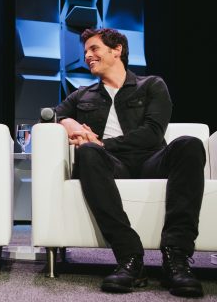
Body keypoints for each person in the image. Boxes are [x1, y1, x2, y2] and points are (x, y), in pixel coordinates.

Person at [54, 28, 205, 297]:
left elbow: (152, 134)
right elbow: (49, 117)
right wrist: (68, 121)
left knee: (189, 144)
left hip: (151, 159)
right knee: (87, 153)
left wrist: (102, 143)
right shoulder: (82, 95)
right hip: (111, 164)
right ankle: (130, 258)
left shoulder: (152, 85)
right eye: (86, 51)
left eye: (94, 49)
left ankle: (176, 259)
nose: (87, 56)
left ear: (117, 50)